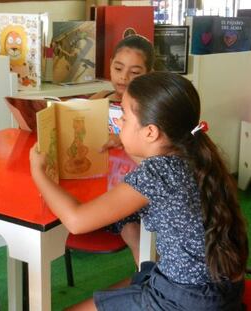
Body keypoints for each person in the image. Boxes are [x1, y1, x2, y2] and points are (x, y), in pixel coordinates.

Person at [30, 71, 248, 310]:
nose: (118, 123)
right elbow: (152, 163)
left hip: (184, 299)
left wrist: (39, 172)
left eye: (123, 117)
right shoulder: (193, 154)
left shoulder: (158, 173)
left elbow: (76, 220)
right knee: (128, 272)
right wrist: (126, 141)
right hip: (220, 291)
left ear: (150, 132)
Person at [92, 35, 155, 264]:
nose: (124, 77)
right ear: (110, 64)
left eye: (135, 72)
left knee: (131, 230)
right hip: (100, 188)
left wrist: (125, 141)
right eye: (118, 68)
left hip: (133, 190)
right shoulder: (98, 100)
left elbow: (157, 161)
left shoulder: (151, 110)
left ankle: (149, 280)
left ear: (149, 72)